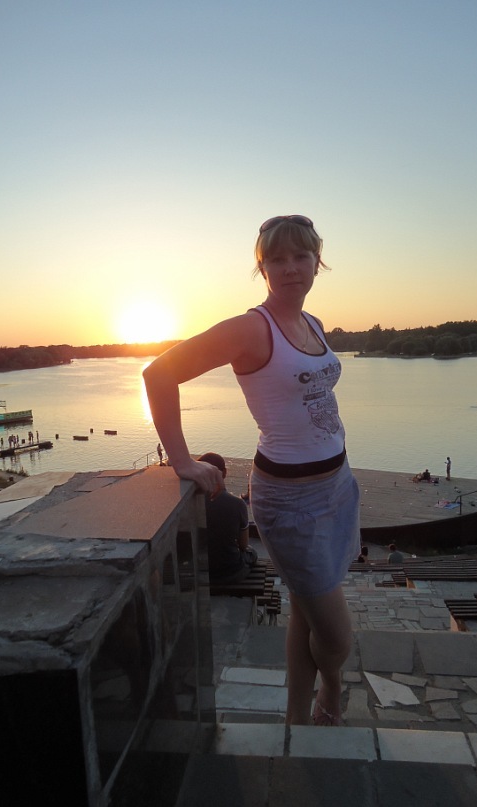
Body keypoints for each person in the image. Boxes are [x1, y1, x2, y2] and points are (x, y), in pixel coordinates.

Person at [143, 214, 360, 727]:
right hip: (290, 500)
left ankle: (296, 718)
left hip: (337, 485)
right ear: (262, 269)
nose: (291, 268)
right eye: (277, 259)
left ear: (317, 262)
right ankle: (332, 688)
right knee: (336, 636)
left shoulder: (312, 323)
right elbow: (158, 373)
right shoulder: (250, 328)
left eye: (301, 256)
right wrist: (181, 460)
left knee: (304, 610)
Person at [197, 452, 257, 583]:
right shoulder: (238, 504)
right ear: (224, 473)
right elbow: (243, 545)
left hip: (200, 571)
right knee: (251, 552)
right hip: (230, 572)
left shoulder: (191, 503)